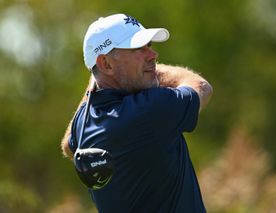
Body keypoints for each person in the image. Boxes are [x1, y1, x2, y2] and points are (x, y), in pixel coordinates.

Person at [61, 13, 213, 213]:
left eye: (148, 45)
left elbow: (68, 145)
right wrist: (153, 72)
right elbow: (201, 86)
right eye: (138, 49)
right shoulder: (149, 109)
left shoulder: (84, 121)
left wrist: (95, 82)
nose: (153, 56)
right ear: (106, 64)